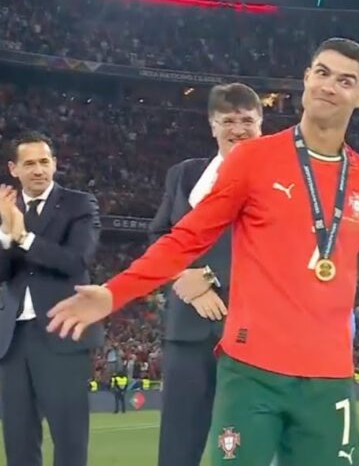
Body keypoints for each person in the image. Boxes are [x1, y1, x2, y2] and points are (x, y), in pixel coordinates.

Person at [46, 38, 359, 466]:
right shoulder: (253, 160)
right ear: (306, 78)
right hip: (251, 375)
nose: (330, 86)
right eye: (322, 73)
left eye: (345, 80)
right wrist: (113, 293)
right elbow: (187, 238)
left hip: (330, 380)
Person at [149, 82, 263, 466]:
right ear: (212, 125)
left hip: (251, 330)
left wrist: (210, 274)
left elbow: (279, 243)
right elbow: (160, 235)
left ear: (261, 124)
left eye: (247, 119)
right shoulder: (184, 175)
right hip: (187, 330)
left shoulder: (279, 179)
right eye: (228, 120)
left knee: (240, 442)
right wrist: (184, 277)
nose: (238, 128)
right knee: (178, 443)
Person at [0, 131, 103, 466]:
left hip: (63, 333)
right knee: (18, 442)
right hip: (13, 340)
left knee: (69, 439)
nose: (38, 170)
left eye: (44, 161)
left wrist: (23, 236)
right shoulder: (3, 210)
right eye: (29, 163)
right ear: (13, 169)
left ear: (55, 164)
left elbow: (76, 261)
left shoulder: (79, 203)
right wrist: (6, 233)